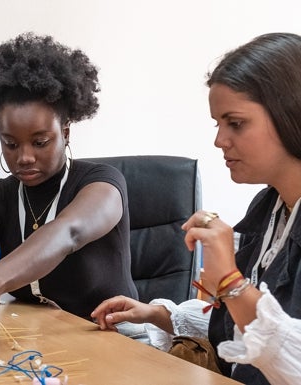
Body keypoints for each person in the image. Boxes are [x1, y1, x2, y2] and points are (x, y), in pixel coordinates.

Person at [91, 32, 301, 385]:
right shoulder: (270, 208)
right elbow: (241, 330)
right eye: (218, 124)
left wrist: (231, 282)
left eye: (235, 123)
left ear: (291, 114)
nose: (220, 140)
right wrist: (156, 313)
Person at [0, 32, 138, 362]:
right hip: (38, 345)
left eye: (39, 142)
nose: (24, 157)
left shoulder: (102, 183)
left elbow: (68, 232)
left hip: (113, 343)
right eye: (10, 143)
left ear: (64, 133)